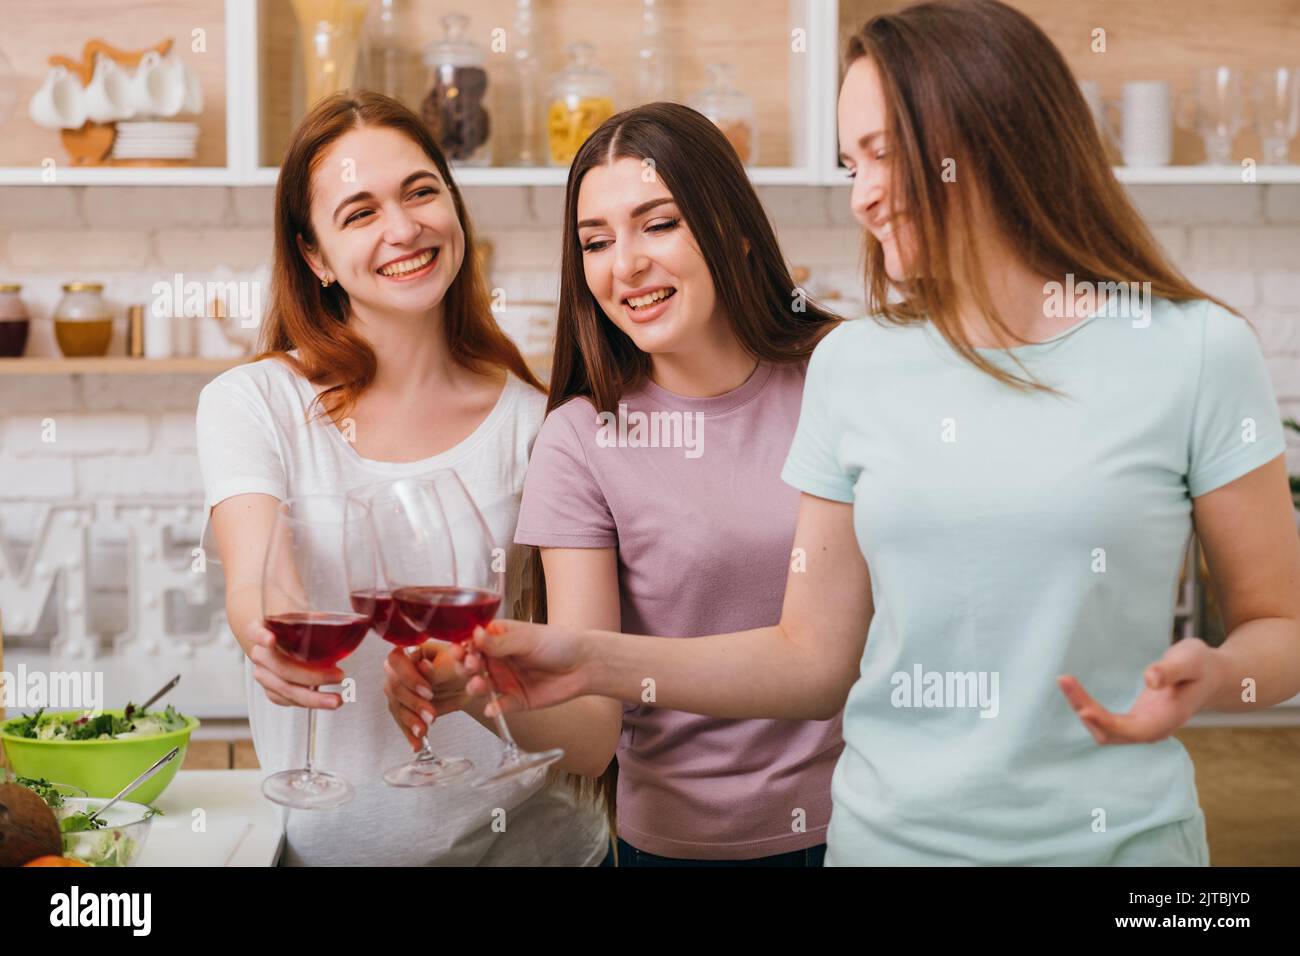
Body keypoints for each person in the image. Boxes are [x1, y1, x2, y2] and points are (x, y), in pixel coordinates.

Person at [453, 0, 1300, 865]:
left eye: (881, 156)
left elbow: (1282, 628)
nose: (860, 196)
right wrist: (586, 661)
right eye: (848, 161)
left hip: (1130, 853)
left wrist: (1216, 677)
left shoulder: (1196, 351)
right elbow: (811, 660)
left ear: (988, 136)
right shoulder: (857, 364)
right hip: (886, 847)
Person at [384, 102, 845, 866]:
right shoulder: (581, 438)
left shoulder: (837, 379)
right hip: (676, 850)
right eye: (595, 241)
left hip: (860, 828)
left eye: (658, 224)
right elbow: (591, 738)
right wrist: (478, 690)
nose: (623, 265)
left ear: (731, 227)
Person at [196, 90, 608, 866]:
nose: (403, 227)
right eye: (359, 212)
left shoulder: (540, 426)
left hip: (528, 853)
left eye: (421, 192)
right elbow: (261, 579)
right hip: (316, 855)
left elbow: (590, 737)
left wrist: (475, 685)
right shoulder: (251, 404)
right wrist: (269, 632)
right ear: (313, 256)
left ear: (454, 206)